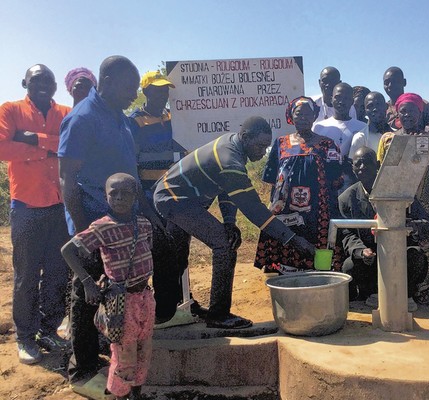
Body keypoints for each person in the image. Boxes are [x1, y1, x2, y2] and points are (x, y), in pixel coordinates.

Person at [153, 116, 316, 329]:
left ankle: (175, 308)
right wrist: (293, 240)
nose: (262, 152)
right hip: (174, 198)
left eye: (266, 147)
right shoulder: (230, 159)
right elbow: (253, 209)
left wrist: (230, 222)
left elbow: (226, 189)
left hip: (177, 196)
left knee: (177, 256)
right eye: (259, 146)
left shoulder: (233, 148)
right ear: (245, 137)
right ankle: (218, 314)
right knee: (224, 245)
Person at [59, 56, 158, 391]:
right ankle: (82, 371)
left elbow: (129, 172)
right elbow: (68, 179)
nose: (135, 94)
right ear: (108, 80)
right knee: (84, 292)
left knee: (110, 292)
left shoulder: (121, 119)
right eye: (130, 87)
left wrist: (147, 213)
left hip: (124, 222)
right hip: (94, 222)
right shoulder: (83, 118)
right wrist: (86, 229)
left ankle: (108, 353)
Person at [0, 64, 71, 364]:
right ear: (24, 83)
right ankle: (25, 337)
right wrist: (48, 148)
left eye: (48, 80)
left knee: (58, 272)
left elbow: (71, 147)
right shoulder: (10, 110)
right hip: (26, 208)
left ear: (56, 86)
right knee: (27, 275)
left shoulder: (66, 113)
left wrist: (33, 139)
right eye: (36, 80)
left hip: (59, 207)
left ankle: (49, 329)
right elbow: (3, 148)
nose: (43, 84)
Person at [61, 173, 154, 400]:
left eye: (126, 193)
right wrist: (86, 282)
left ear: (135, 197)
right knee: (124, 353)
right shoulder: (101, 227)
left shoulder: (143, 224)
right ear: (106, 196)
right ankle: (119, 394)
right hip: (122, 302)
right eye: (114, 193)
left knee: (144, 348)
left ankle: (136, 393)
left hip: (145, 296)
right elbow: (68, 250)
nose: (119, 198)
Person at [129, 71, 202, 324]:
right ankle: (162, 311)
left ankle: (184, 301)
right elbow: (132, 163)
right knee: (159, 252)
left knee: (180, 249)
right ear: (146, 92)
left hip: (177, 195)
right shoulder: (135, 122)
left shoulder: (176, 118)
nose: (162, 94)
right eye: (157, 90)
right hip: (150, 197)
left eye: (165, 90)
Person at [255, 97, 342, 273]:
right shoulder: (280, 143)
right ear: (291, 116)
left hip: (318, 210)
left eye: (307, 114)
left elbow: (335, 179)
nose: (302, 118)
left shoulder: (327, 144)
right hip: (284, 208)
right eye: (298, 113)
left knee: (316, 243)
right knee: (285, 237)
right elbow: (272, 179)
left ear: (314, 116)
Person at [339, 147, 427, 303]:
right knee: (349, 265)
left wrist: (412, 225)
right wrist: (360, 251)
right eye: (357, 164)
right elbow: (347, 233)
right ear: (352, 168)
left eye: (367, 163)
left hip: (399, 250)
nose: (362, 168)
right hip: (370, 255)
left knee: (416, 256)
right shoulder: (347, 198)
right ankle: (372, 294)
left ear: (378, 164)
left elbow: (425, 221)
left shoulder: (399, 191)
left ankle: (406, 295)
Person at [377, 93, 429, 304]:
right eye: (403, 111)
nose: (407, 115)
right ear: (397, 113)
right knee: (394, 244)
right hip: (395, 199)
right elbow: (381, 170)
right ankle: (393, 297)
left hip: (424, 198)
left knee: (423, 247)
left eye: (411, 111)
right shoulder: (387, 139)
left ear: (420, 113)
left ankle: (423, 297)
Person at [313, 83, 368, 192]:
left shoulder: (363, 127)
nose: (341, 102)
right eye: (338, 97)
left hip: (352, 185)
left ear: (352, 102)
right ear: (331, 99)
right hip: (325, 185)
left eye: (346, 98)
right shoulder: (319, 127)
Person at [383, 67, 429, 131]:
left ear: (404, 82)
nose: (390, 85)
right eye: (386, 82)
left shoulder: (422, 105)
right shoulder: (383, 109)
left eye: (394, 81)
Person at [351, 91, 390, 158]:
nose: (375, 109)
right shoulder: (360, 138)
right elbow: (354, 165)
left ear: (386, 107)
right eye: (370, 106)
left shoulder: (396, 134)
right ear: (365, 111)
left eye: (378, 104)